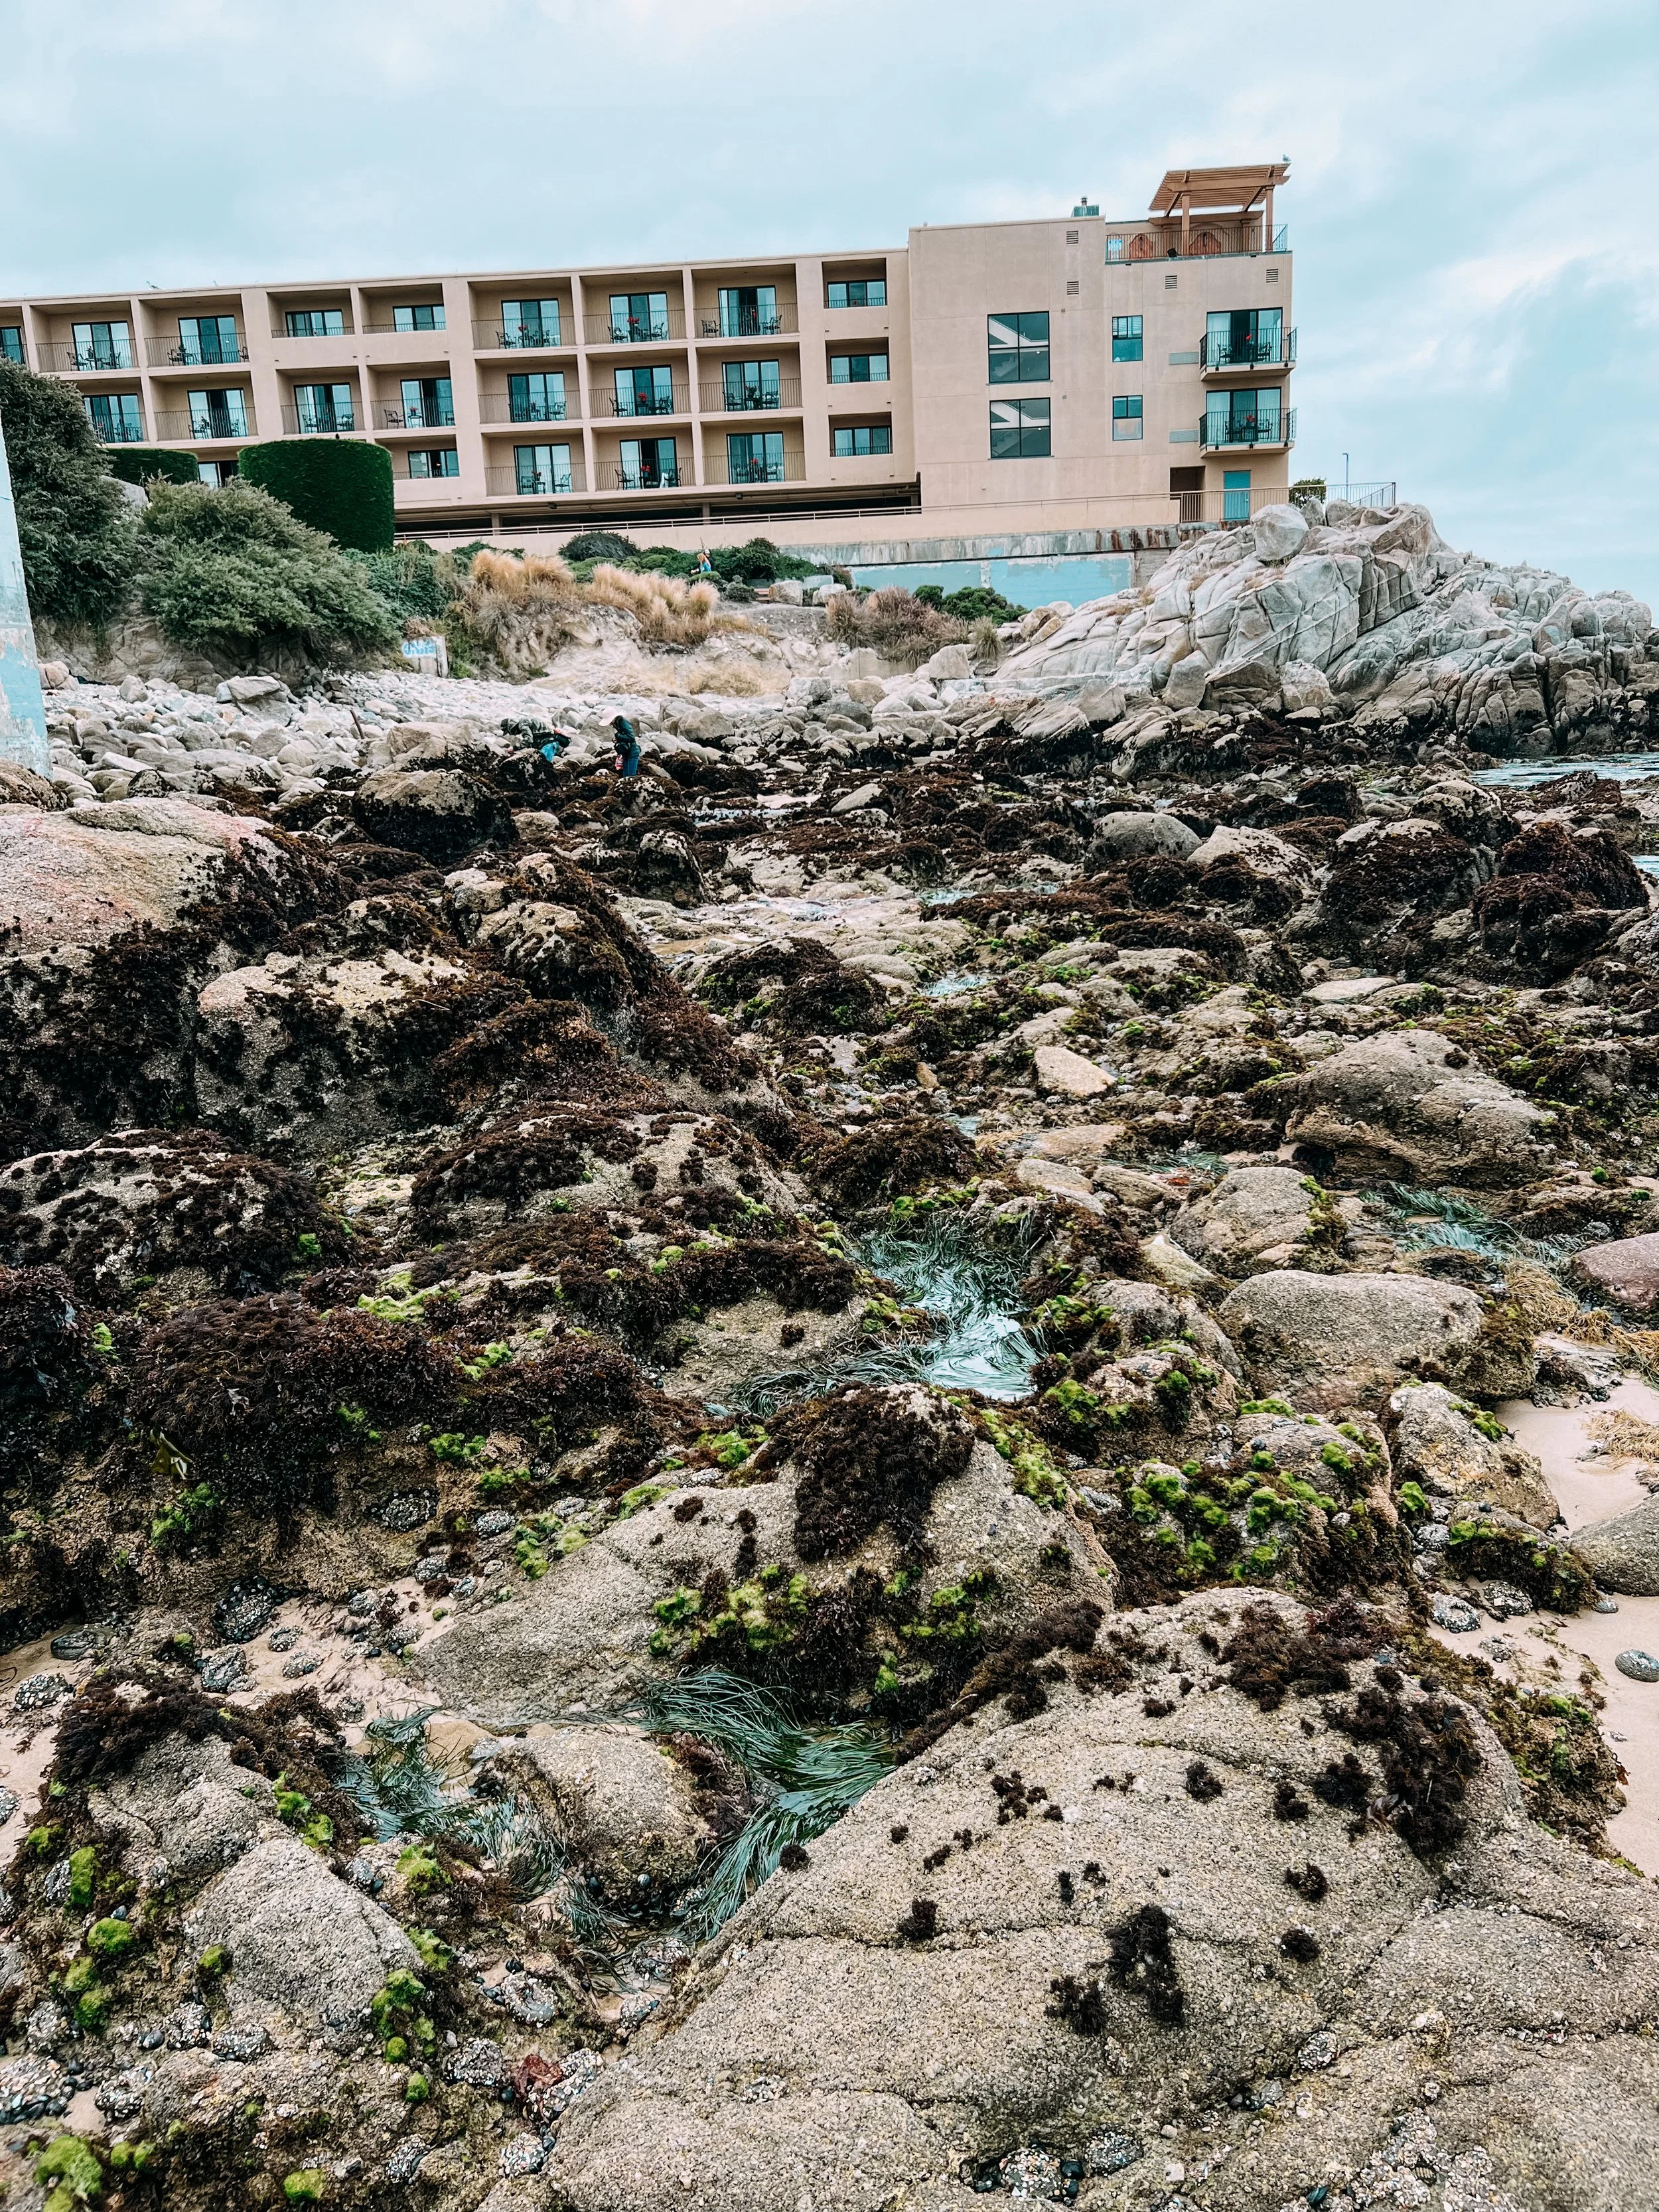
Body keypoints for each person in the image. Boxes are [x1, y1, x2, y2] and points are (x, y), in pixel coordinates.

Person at [611, 713, 642, 778]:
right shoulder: (617, 724)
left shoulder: (623, 722)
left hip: (632, 753)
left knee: (630, 777)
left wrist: (618, 735)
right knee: (625, 777)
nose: (610, 724)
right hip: (626, 753)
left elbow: (631, 738)